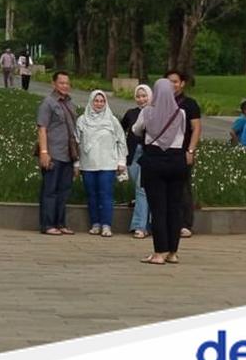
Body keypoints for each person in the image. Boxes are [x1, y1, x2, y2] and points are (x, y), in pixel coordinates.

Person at [132, 79, 188, 266]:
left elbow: (136, 130)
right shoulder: (181, 113)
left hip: (154, 161)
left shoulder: (147, 112)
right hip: (177, 162)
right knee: (174, 208)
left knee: (158, 209)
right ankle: (172, 252)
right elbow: (183, 133)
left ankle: (159, 252)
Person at [76, 91, 127, 238]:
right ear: (91, 102)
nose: (99, 104)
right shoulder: (82, 120)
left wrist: (121, 161)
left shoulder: (112, 121)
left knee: (106, 195)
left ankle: (106, 224)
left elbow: (121, 142)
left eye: (102, 101)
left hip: (108, 164)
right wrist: (77, 163)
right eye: (96, 101)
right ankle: (95, 223)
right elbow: (77, 143)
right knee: (92, 195)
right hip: (88, 164)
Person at [37, 71, 79, 236]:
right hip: (53, 153)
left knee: (64, 190)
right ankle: (47, 224)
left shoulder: (70, 104)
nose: (65, 86)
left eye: (67, 83)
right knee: (50, 190)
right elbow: (42, 129)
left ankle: (60, 223)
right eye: (61, 83)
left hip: (68, 154)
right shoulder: (48, 103)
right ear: (54, 84)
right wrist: (44, 152)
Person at [166, 70, 202, 239]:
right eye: (169, 81)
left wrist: (191, 150)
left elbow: (196, 129)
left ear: (182, 83)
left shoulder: (189, 104)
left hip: (182, 151)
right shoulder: (161, 103)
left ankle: (185, 223)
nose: (172, 85)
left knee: (183, 188)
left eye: (175, 81)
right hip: (164, 152)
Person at [121, 84, 152, 239]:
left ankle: (139, 226)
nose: (141, 99)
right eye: (138, 96)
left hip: (147, 155)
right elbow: (121, 131)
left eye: (144, 96)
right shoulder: (130, 113)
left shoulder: (154, 113)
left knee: (142, 189)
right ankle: (147, 225)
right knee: (139, 190)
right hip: (132, 153)